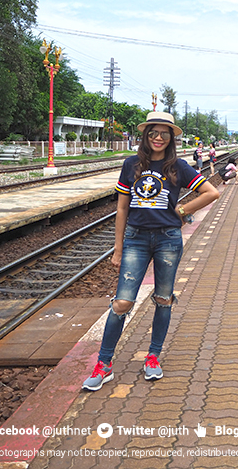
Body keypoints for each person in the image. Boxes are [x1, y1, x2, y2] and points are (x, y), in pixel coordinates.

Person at [83, 111, 219, 391]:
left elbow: (211, 192)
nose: (158, 138)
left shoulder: (177, 167)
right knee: (122, 302)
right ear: (146, 137)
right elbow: (122, 208)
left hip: (168, 239)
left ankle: (153, 357)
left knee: (163, 299)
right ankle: (104, 364)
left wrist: (182, 209)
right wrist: (118, 248)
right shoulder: (131, 165)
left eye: (164, 134)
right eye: (153, 133)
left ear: (170, 138)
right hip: (136, 238)